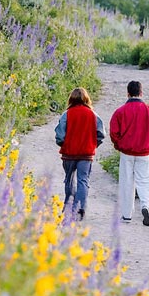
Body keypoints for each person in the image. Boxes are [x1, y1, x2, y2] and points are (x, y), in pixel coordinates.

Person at [109, 80, 149, 226]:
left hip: (126, 152)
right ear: (141, 93)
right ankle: (145, 205)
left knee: (127, 182)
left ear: (127, 93)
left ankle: (127, 215)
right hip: (145, 152)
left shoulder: (120, 112)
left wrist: (119, 145)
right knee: (146, 180)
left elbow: (114, 132)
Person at [54, 87, 106, 219]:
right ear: (87, 99)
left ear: (71, 99)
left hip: (69, 153)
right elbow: (101, 134)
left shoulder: (67, 114)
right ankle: (80, 208)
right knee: (83, 180)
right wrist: (94, 144)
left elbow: (59, 135)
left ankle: (68, 205)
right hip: (86, 153)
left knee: (69, 179)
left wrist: (64, 144)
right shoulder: (93, 115)